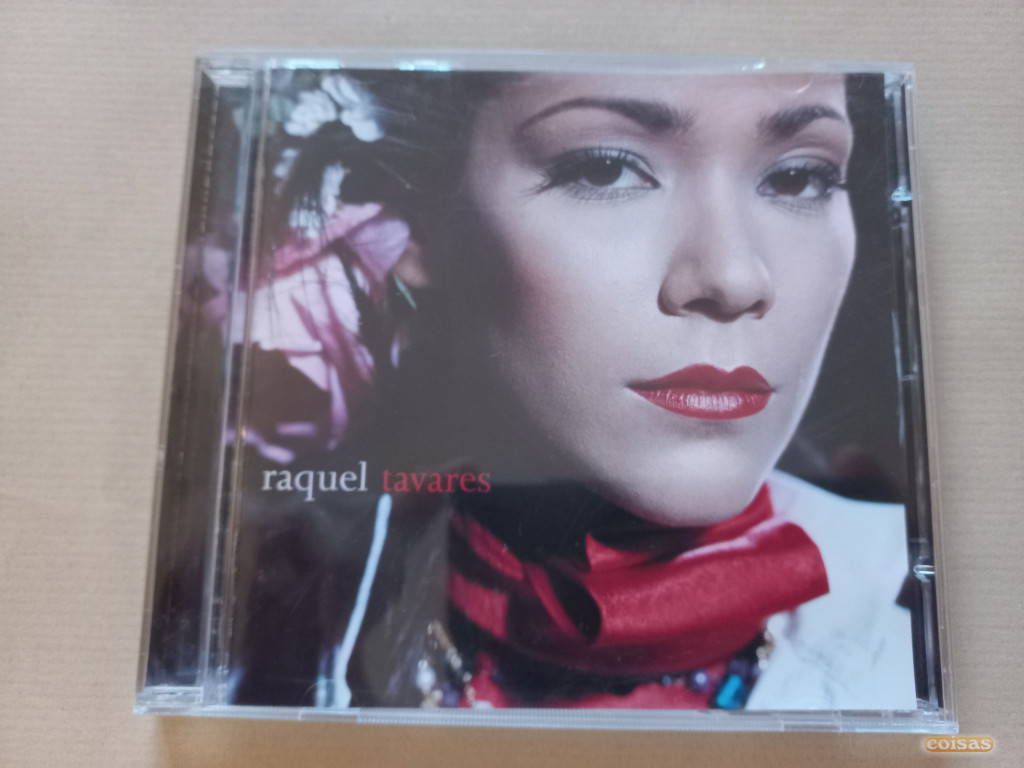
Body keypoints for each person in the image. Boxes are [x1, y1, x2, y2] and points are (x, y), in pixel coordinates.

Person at [227, 67, 918, 712]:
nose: (734, 278)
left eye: (800, 178)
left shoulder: (922, 651)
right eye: (605, 167)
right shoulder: (251, 631)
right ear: (411, 226)